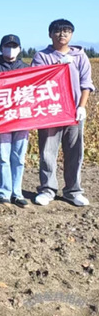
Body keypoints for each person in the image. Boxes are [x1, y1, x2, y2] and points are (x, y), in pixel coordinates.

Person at [32, 19, 94, 207]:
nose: (62, 34)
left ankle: (73, 191)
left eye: (67, 31)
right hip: (50, 112)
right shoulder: (42, 56)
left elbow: (86, 84)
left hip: (73, 112)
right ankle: (47, 189)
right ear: (50, 34)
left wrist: (81, 107)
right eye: (58, 31)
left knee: (74, 152)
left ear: (72, 34)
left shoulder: (80, 56)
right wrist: (58, 65)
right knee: (47, 152)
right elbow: (37, 80)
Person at [0, 34, 30, 206]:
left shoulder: (26, 68)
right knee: (3, 156)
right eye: (7, 46)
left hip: (21, 117)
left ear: (19, 49)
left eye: (14, 46)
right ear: (1, 48)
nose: (11, 49)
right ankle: (3, 192)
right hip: (1, 118)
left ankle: (17, 192)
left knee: (19, 157)